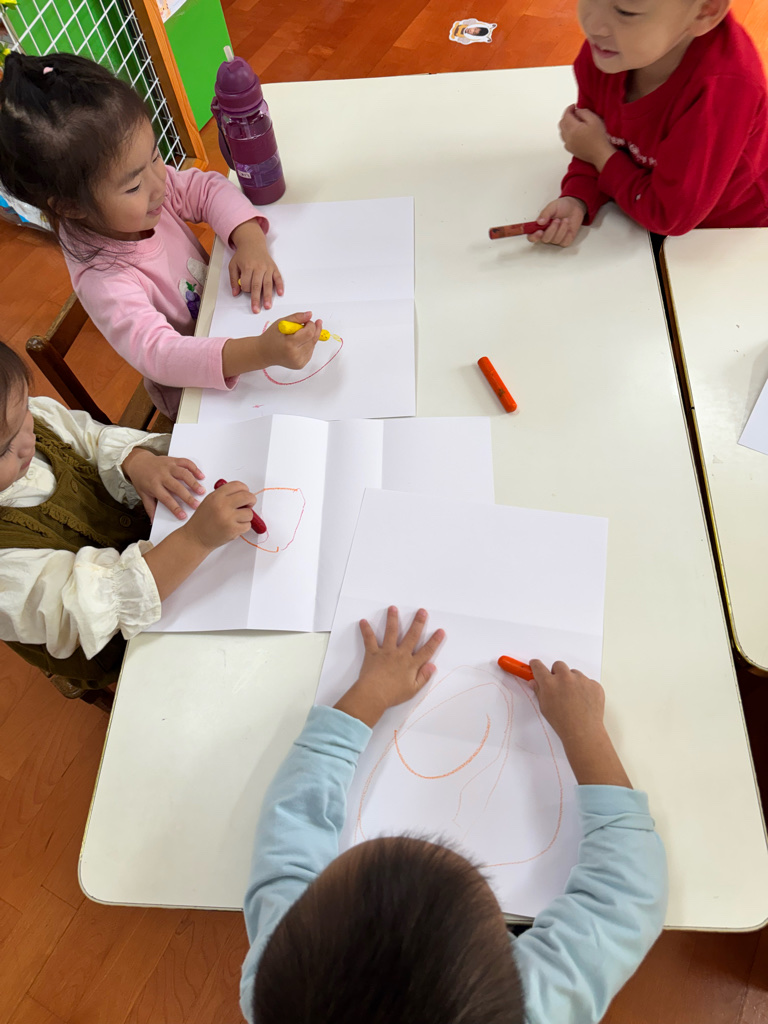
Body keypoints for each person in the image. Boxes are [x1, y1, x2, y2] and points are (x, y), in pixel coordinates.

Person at [239, 606, 668, 1024]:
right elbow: (625, 892)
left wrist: (367, 695)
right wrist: (585, 732)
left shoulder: (281, 978)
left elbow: (292, 829)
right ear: (514, 971)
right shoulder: (536, 1008)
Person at [0, 52, 323, 419]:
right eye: (134, 185)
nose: (159, 184)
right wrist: (261, 352)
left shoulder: (142, 191)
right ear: (72, 207)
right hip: (194, 393)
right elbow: (161, 355)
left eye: (155, 156)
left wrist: (248, 238)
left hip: (229, 320)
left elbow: (205, 189)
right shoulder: (104, 279)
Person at [0, 342, 259, 697]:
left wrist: (135, 461)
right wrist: (195, 540)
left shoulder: (26, 418)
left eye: (24, 411)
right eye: (4, 449)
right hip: (118, 637)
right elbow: (95, 608)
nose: (27, 443)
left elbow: (90, 437)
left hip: (153, 544)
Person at [529, 0, 768, 247]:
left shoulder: (723, 91)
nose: (593, 26)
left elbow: (668, 214)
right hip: (640, 207)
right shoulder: (611, 50)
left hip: (724, 233)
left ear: (705, 11)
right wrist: (578, 196)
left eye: (625, 12)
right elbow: (594, 136)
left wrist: (600, 154)